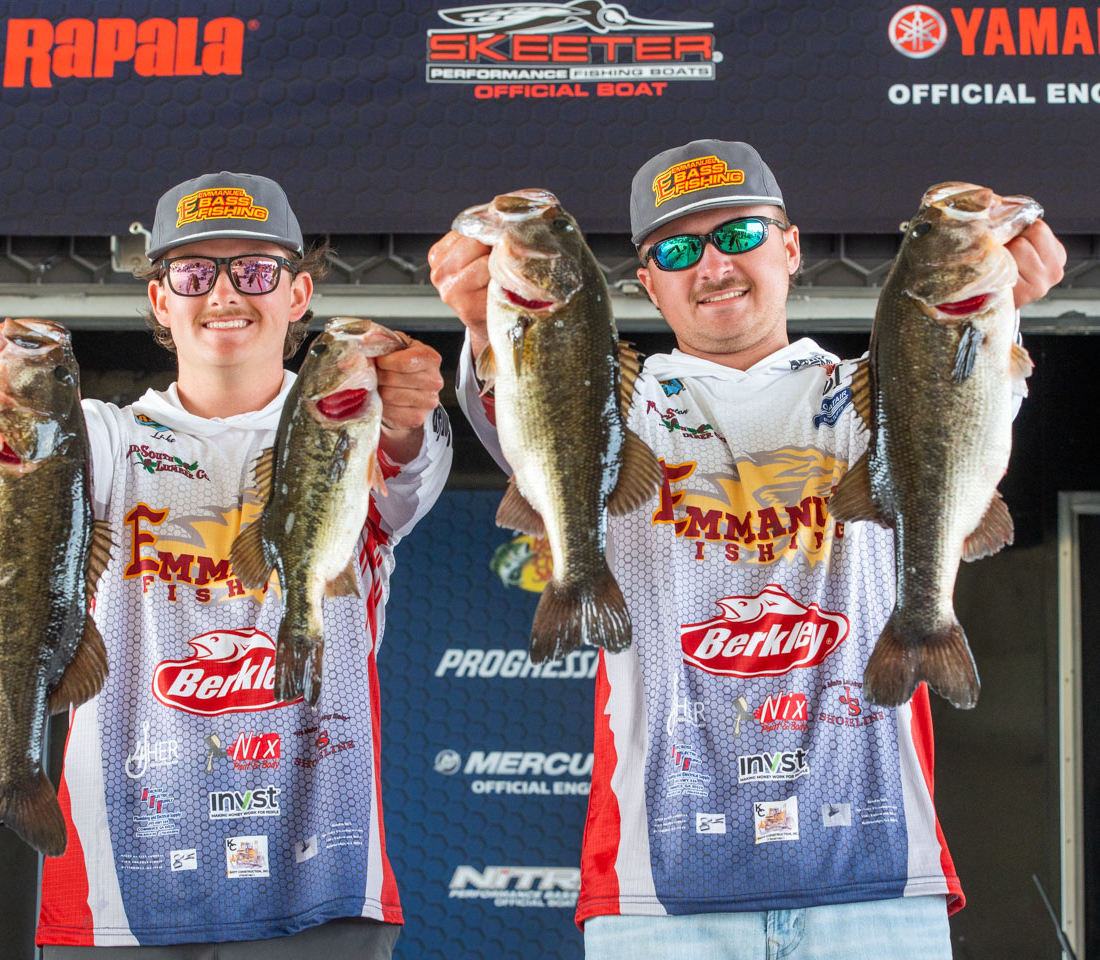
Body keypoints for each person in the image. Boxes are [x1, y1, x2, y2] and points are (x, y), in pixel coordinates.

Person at [428, 140, 1065, 959]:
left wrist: (998, 298)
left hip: (878, 887)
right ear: (647, 282)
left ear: (790, 248)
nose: (714, 265)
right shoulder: (611, 401)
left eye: (739, 235)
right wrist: (487, 325)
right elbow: (521, 416)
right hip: (657, 896)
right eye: (679, 251)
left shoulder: (883, 387)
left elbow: (970, 404)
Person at [0, 171, 451, 958]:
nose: (224, 293)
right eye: (194, 272)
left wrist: (410, 411)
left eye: (255, 270)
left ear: (299, 293)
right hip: (116, 891)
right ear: (159, 300)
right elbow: (26, 461)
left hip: (322, 884)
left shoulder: (359, 426)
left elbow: (410, 457)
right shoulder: (102, 437)